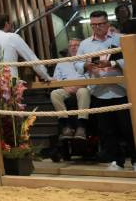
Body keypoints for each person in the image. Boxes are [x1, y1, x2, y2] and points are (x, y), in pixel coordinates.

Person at [75, 10, 131, 170]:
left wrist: (113, 64)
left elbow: (132, 58)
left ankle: (134, 160)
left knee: (129, 128)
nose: (97, 28)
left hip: (121, 90)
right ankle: (116, 161)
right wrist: (85, 65)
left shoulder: (121, 39)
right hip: (99, 91)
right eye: (93, 25)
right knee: (107, 130)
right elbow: (76, 63)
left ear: (107, 23)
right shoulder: (85, 44)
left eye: (100, 24)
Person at [0, 13, 51, 81]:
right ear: (6, 24)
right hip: (8, 83)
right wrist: (46, 76)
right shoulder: (12, 37)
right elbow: (31, 58)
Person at [50, 38, 90, 140]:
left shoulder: (87, 61)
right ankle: (66, 126)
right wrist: (65, 87)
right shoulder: (62, 62)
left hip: (83, 87)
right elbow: (56, 80)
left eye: (76, 45)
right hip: (66, 88)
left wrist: (80, 86)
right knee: (54, 93)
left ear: (81, 47)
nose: (73, 47)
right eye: (71, 45)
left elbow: (91, 77)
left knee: (83, 91)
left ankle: (82, 127)